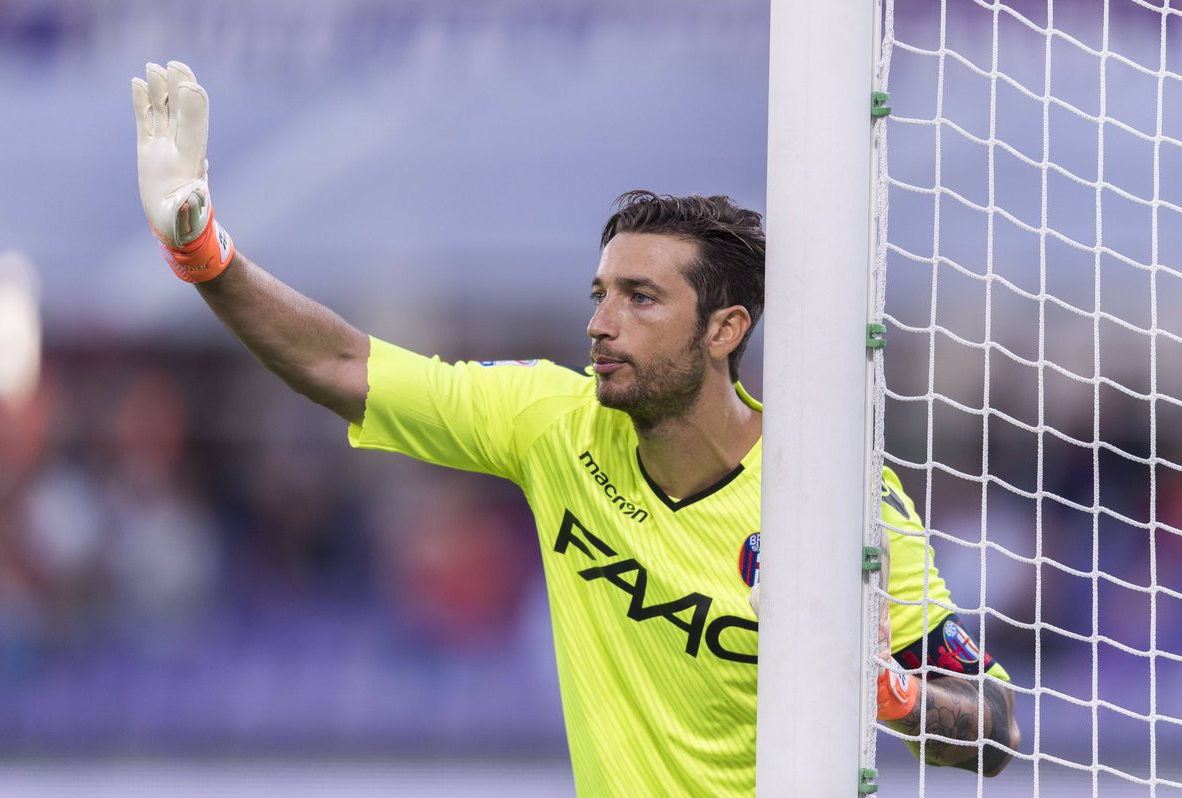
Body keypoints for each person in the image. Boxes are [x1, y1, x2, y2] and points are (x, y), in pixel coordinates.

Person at [130, 60, 1021, 795]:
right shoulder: (553, 424)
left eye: (641, 299)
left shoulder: (836, 500)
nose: (600, 323)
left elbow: (993, 729)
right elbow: (343, 366)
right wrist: (204, 255)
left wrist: (885, 692)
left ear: (724, 330)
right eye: (600, 294)